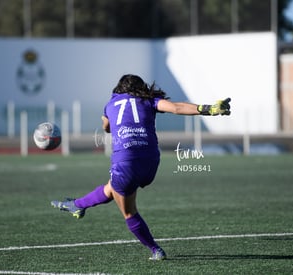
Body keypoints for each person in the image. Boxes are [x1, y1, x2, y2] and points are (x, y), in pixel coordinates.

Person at [51, 74, 231, 260]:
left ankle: (155, 250)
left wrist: (110, 121)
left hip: (126, 163)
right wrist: (208, 109)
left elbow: (106, 127)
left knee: (128, 210)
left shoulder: (110, 104)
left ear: (118, 89)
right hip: (151, 163)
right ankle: (78, 205)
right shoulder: (149, 100)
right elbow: (177, 108)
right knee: (112, 187)